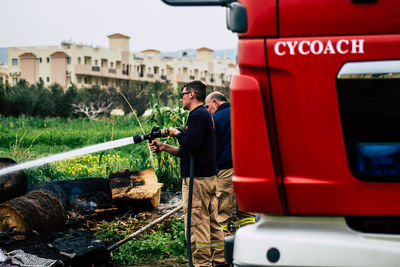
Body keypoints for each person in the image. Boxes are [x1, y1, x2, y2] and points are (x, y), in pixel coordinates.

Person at [149, 81, 226, 267]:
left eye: (182, 94)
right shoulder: (202, 116)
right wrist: (165, 147)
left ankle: (201, 263)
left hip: (197, 181)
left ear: (192, 94)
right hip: (205, 179)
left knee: (197, 224)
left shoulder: (198, 115)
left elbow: (189, 143)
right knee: (211, 223)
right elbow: (189, 150)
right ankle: (220, 259)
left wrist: (176, 132)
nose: (180, 98)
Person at [205, 91, 255, 235]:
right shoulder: (243, 113)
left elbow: (213, 146)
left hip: (226, 169)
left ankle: (221, 252)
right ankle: (249, 243)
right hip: (246, 170)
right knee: (245, 212)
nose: (208, 111)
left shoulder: (216, 119)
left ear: (216, 103)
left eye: (208, 107)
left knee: (221, 213)